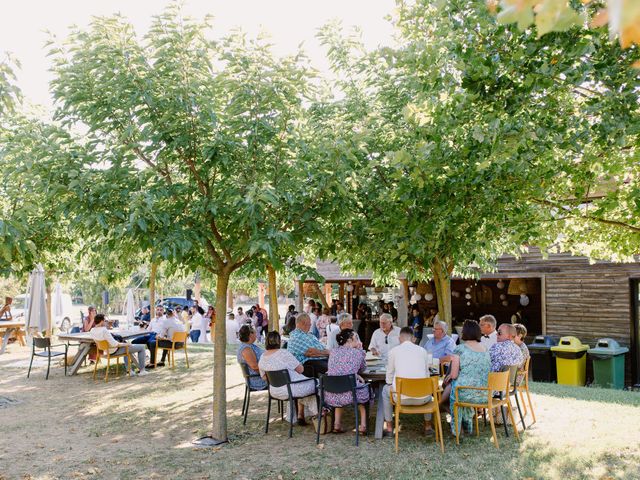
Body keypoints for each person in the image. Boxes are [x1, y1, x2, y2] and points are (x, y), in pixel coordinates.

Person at [441, 320, 490, 435]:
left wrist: (449, 377)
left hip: (465, 393)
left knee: (453, 387)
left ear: (465, 332)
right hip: (484, 393)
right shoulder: (485, 348)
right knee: (458, 386)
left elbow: (454, 375)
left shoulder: (460, 349)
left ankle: (457, 429)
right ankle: (467, 426)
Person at [382, 327, 433, 435]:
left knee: (385, 390)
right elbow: (427, 374)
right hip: (422, 398)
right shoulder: (423, 351)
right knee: (430, 390)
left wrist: (390, 384)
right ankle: (428, 426)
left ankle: (389, 427)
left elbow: (389, 375)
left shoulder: (393, 351)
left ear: (400, 338)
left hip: (401, 398)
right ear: (412, 338)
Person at [258, 330, 318, 423]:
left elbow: (264, 377)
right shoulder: (283, 353)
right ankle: (319, 415)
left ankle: (300, 414)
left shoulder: (262, 357)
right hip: (290, 389)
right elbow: (301, 370)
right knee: (316, 383)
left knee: (301, 384)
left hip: (274, 390)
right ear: (279, 341)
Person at [324, 329, 369, 434]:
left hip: (331, 394)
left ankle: (337, 424)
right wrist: (361, 350)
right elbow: (362, 369)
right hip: (350, 394)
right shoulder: (358, 352)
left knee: (341, 387)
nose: (358, 341)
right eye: (356, 338)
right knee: (362, 392)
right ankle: (363, 426)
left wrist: (355, 374)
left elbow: (338, 370)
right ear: (350, 340)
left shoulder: (333, 351)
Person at [286, 312, 329, 377]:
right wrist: (328, 352)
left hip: (320, 360)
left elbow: (318, 349)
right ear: (304, 324)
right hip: (310, 365)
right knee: (336, 370)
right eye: (309, 324)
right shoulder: (296, 337)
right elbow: (311, 352)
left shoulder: (307, 334)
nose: (310, 325)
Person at [237, 325, 267, 390]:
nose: (256, 334)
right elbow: (255, 367)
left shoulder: (249, 345)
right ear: (250, 335)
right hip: (258, 379)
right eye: (255, 332)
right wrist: (269, 374)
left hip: (261, 375)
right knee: (283, 378)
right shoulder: (246, 349)